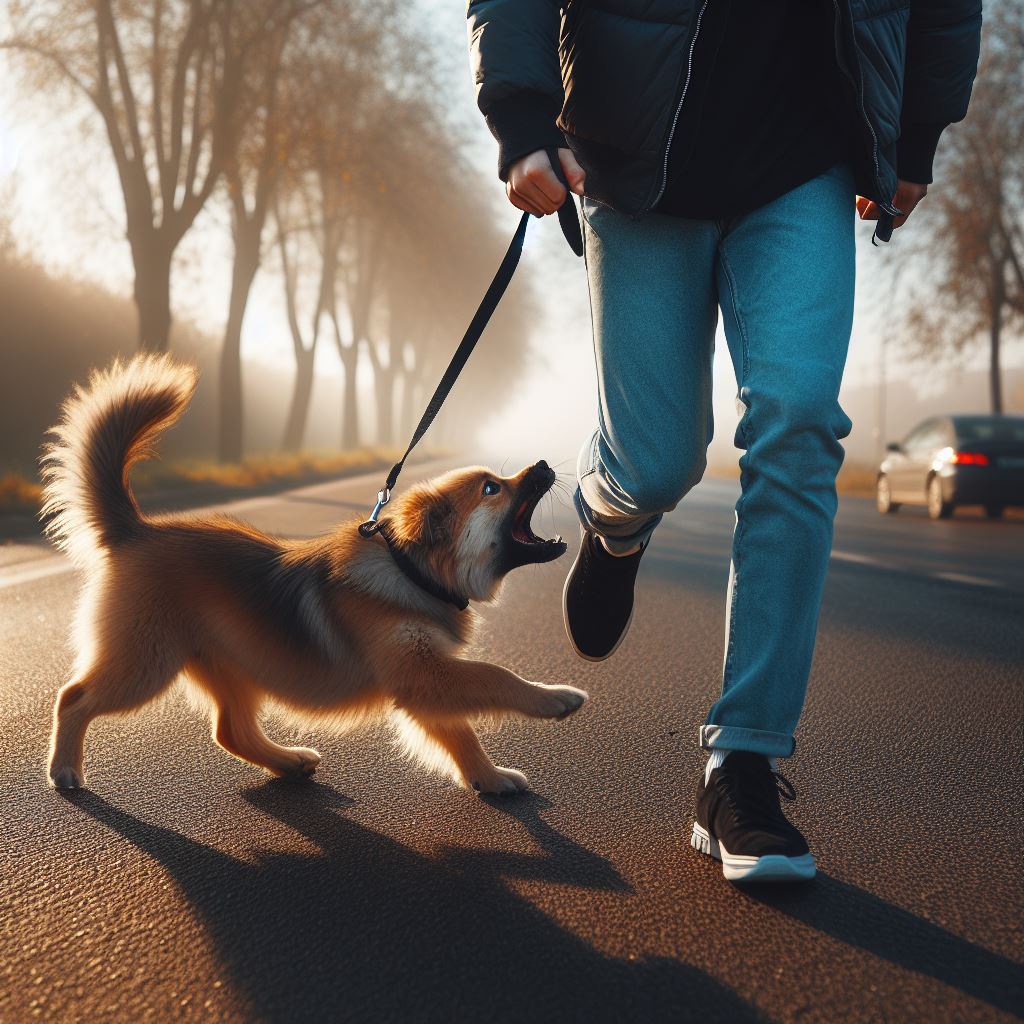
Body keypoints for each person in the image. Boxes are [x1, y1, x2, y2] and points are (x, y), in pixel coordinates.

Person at [466, 0, 982, 883]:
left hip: (805, 160)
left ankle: (742, 763)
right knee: (660, 461)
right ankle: (616, 516)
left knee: (800, 421)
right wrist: (521, 117)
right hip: (631, 157)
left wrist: (915, 131)